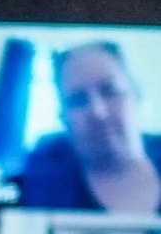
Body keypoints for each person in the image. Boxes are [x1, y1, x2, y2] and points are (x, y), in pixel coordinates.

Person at [16, 41, 161, 214]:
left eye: (110, 90)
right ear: (63, 117)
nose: (98, 112)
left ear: (136, 96)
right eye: (78, 100)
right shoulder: (37, 186)